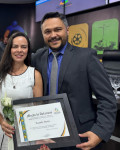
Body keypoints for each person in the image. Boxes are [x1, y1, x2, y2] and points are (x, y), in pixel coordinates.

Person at [32, 12, 117, 150]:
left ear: (67, 30)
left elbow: (107, 99)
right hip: (48, 135)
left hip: (80, 136)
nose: (53, 35)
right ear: (42, 34)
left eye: (57, 29)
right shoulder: (37, 58)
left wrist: (99, 132)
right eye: (47, 31)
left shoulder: (87, 57)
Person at [0, 32, 49, 150]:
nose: (19, 50)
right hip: (1, 131)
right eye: (15, 46)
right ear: (9, 49)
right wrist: (1, 121)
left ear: (28, 50)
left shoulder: (34, 75)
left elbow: (38, 108)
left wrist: (42, 137)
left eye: (24, 47)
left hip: (26, 133)